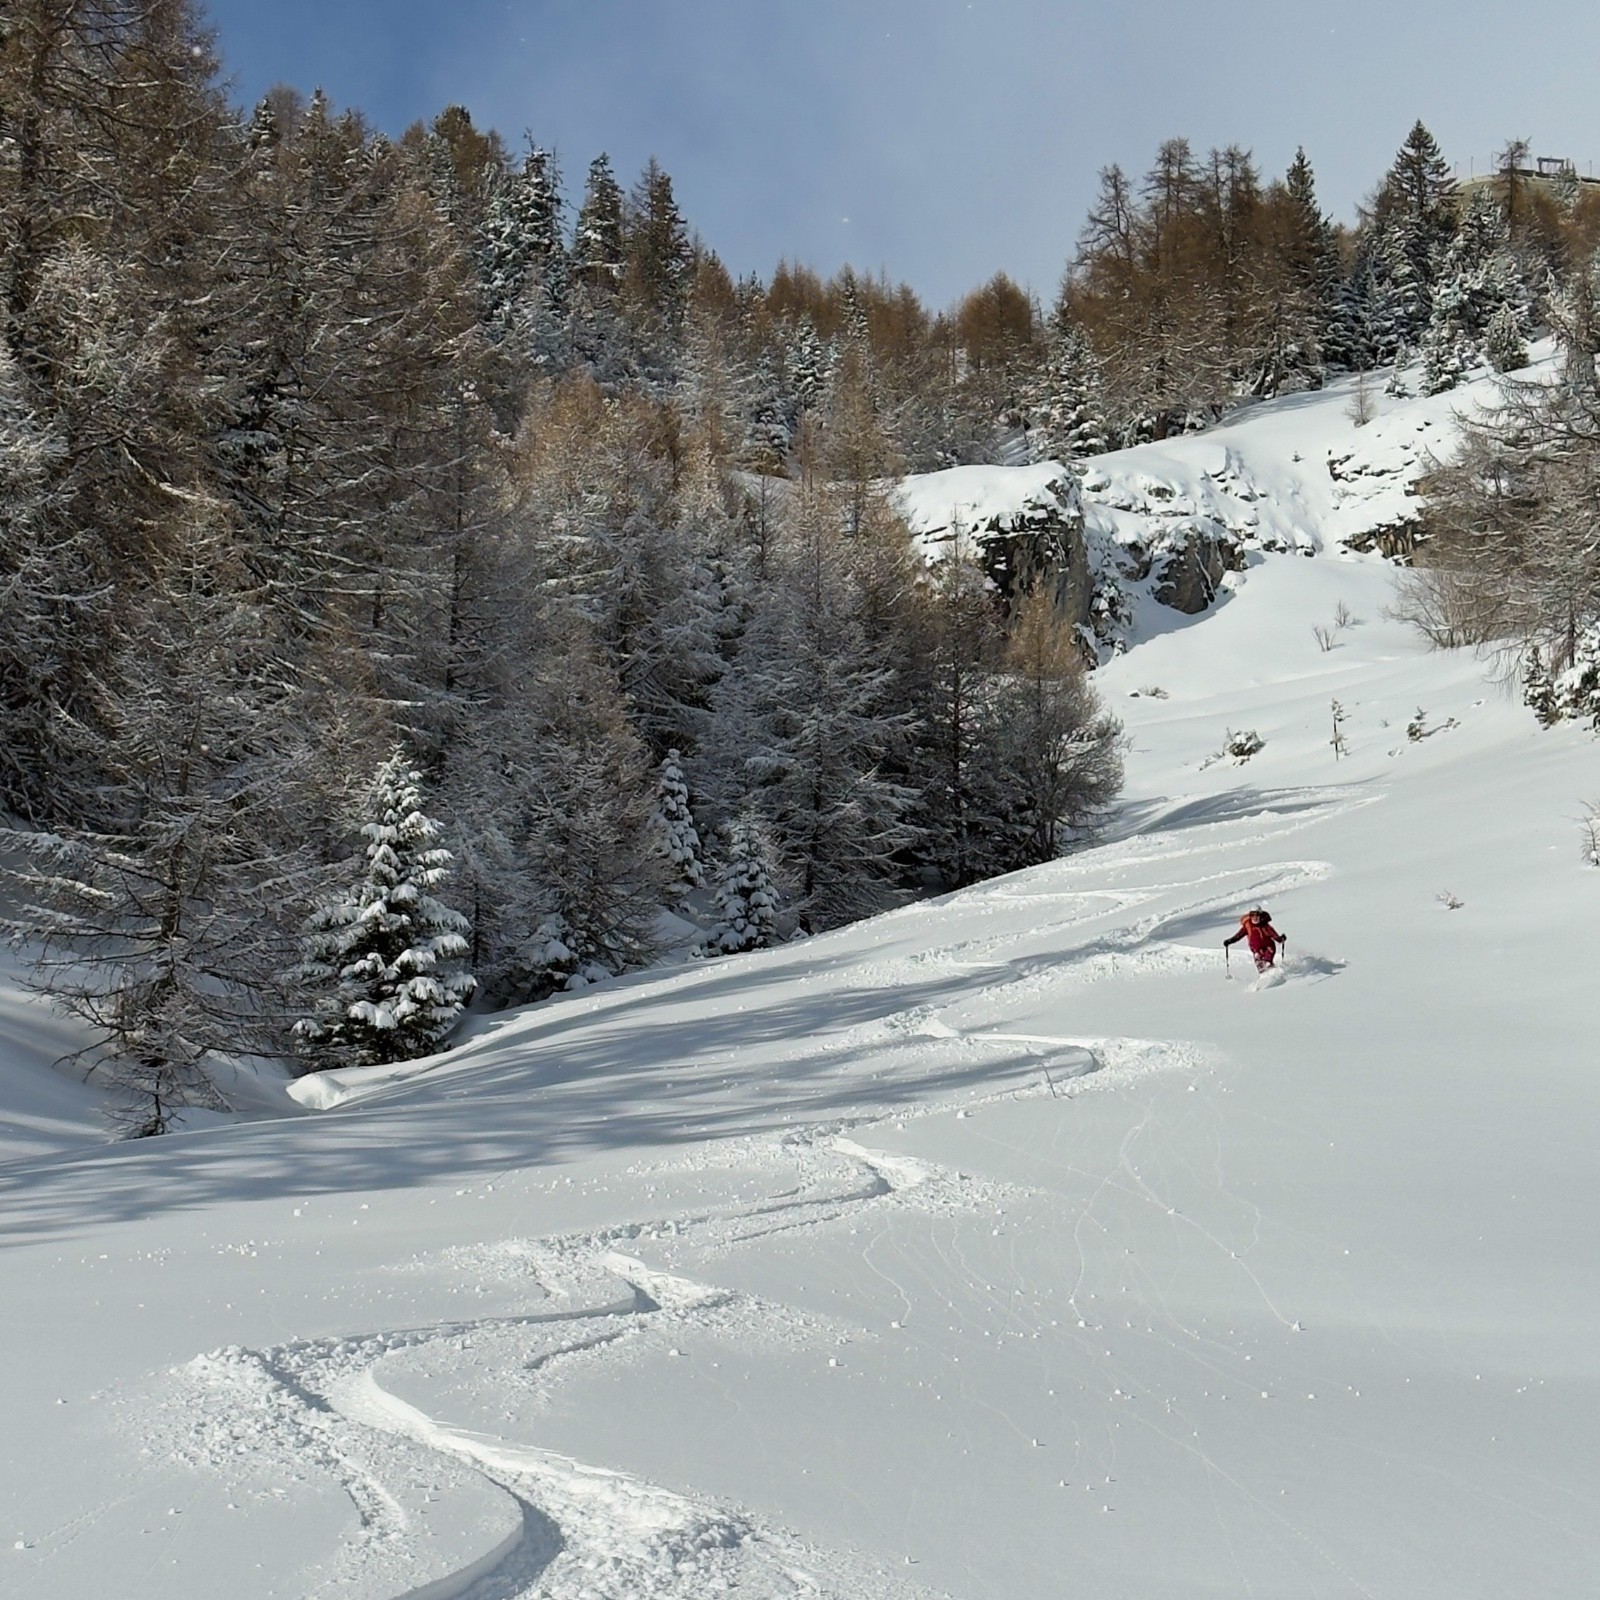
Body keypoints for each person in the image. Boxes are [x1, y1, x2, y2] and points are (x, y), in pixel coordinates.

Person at [1225, 907, 1286, 972]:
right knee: (1260, 966)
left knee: (1267, 963)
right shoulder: (1248, 926)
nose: (1255, 917)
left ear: (1261, 915)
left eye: (1257, 915)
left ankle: (1274, 973)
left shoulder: (1265, 926)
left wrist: (1280, 939)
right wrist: (1230, 941)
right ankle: (1265, 976)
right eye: (1252, 915)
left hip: (1268, 947)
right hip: (1256, 950)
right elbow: (1238, 935)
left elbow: (1274, 935)